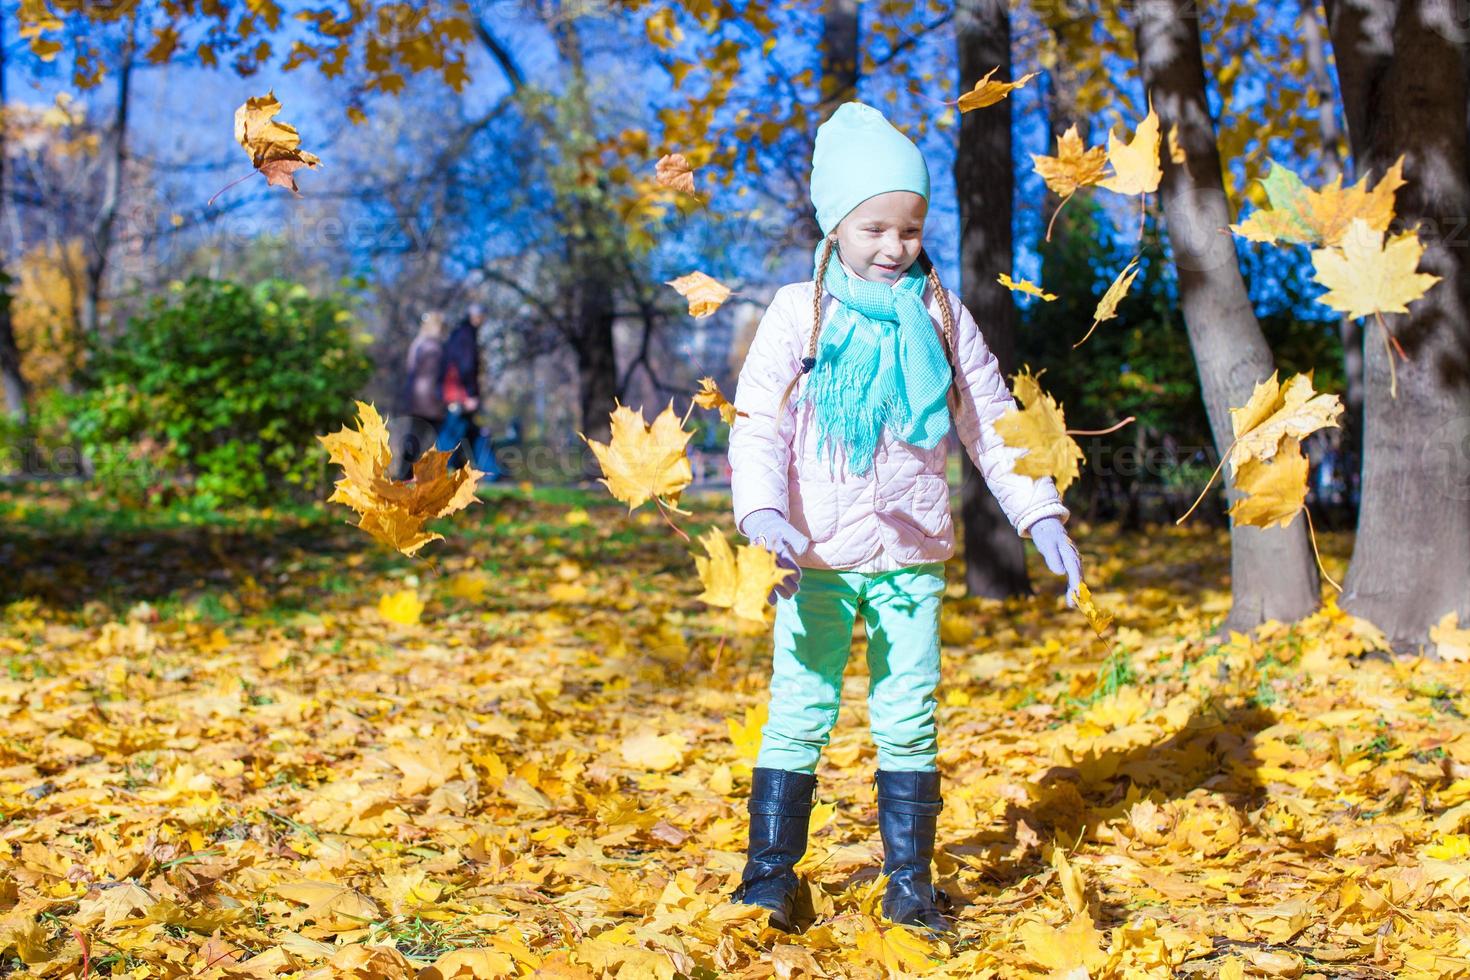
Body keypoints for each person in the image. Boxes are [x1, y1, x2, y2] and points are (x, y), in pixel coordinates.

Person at [726, 101, 1084, 935]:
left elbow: (992, 421)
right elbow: (759, 424)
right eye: (874, 228)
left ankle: (910, 883)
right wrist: (764, 515)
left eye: (911, 229)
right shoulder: (798, 312)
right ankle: (770, 878)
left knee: (908, 709)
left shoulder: (941, 315)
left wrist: (1041, 514)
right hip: (808, 555)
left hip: (910, 554)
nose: (894, 248)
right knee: (801, 707)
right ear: (834, 228)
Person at [393, 310, 448, 480]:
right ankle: (431, 476)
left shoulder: (417, 343)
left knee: (414, 437)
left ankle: (405, 474)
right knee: (441, 438)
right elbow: (435, 374)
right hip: (430, 399)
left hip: (415, 398)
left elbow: (411, 370)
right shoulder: (434, 347)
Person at [436, 303, 484, 470]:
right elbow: (466, 366)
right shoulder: (466, 336)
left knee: (472, 432)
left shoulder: (457, 335)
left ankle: (492, 471)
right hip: (460, 395)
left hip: (453, 392)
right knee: (452, 433)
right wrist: (470, 394)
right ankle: (438, 470)